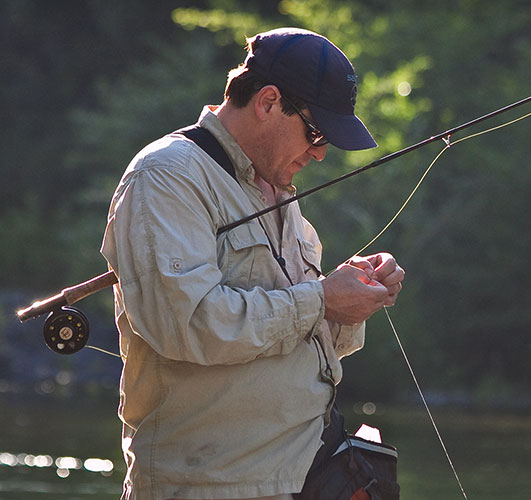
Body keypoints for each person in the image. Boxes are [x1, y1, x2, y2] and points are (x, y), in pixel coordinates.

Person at [100, 27, 404, 500]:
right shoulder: (166, 177)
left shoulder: (279, 191)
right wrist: (322, 299)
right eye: (316, 132)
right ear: (267, 102)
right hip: (212, 486)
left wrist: (353, 298)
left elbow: (298, 336)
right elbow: (187, 325)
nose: (321, 153)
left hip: (304, 474)